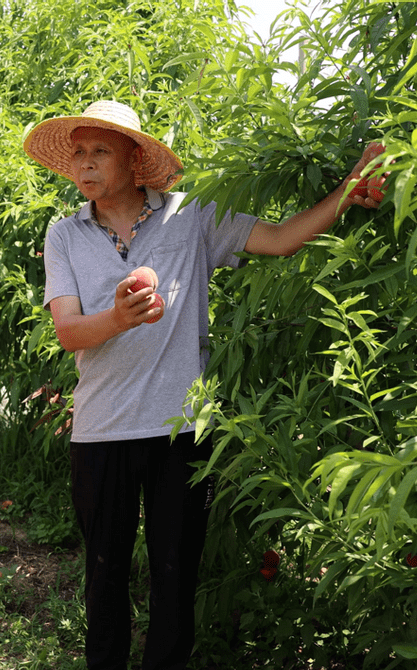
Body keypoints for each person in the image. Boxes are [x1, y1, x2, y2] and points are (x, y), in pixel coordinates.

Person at [24, 100, 385, 670]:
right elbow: (68, 331)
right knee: (104, 576)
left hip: (179, 429)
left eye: (100, 151)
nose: (85, 164)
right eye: (78, 153)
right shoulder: (64, 234)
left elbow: (284, 238)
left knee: (174, 574)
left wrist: (347, 190)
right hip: (101, 431)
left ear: (135, 160)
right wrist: (120, 317)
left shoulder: (190, 217)